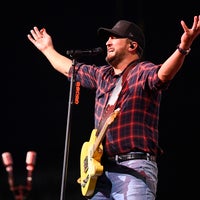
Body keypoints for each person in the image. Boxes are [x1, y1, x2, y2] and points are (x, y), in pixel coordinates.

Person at [27, 16, 200, 200]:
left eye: (114, 38)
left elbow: (163, 74)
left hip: (134, 168)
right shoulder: (102, 75)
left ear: (132, 46)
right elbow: (68, 69)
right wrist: (47, 49)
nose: (108, 42)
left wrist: (183, 48)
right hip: (100, 173)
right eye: (108, 38)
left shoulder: (142, 71)